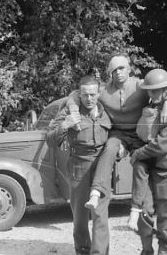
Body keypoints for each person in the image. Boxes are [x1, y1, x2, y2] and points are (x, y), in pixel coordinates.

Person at [66, 55, 167, 209]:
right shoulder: (103, 91)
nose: (118, 73)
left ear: (129, 69)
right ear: (110, 73)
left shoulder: (140, 86)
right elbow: (74, 95)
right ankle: (96, 192)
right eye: (114, 70)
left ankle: (145, 209)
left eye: (121, 68)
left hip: (140, 134)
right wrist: (74, 112)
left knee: (142, 165)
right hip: (118, 134)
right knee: (109, 149)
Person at [129, 69, 167, 255]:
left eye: (155, 91)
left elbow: (163, 144)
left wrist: (138, 153)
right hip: (147, 165)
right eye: (149, 90)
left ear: (166, 89)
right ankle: (146, 249)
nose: (151, 94)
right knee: (143, 208)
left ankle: (163, 251)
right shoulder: (151, 105)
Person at [47, 76, 111, 255]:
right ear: (79, 94)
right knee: (80, 217)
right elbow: (50, 140)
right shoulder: (69, 110)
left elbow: (120, 133)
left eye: (92, 94)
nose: (89, 99)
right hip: (79, 167)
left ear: (99, 94)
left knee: (101, 217)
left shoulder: (107, 110)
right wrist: (65, 125)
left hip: (102, 166)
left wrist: (120, 149)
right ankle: (83, 251)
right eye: (85, 95)